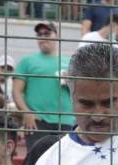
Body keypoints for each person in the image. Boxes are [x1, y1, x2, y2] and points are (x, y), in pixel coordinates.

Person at [13, 21, 75, 149]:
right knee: (37, 163)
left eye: (47, 33)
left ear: (56, 35)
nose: (43, 37)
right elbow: (16, 91)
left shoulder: (70, 62)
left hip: (66, 121)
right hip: (37, 121)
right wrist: (26, 113)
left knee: (64, 163)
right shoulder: (27, 61)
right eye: (39, 34)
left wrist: (71, 81)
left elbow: (80, 92)